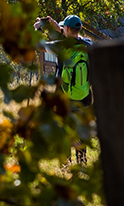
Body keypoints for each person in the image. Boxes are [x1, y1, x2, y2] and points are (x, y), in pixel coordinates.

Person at [36, 14, 92, 163]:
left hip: (64, 99)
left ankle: (67, 165)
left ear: (66, 28)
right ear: (79, 28)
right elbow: (73, 38)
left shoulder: (58, 46)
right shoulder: (88, 45)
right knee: (81, 134)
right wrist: (56, 26)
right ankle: (82, 163)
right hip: (84, 99)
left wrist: (39, 30)